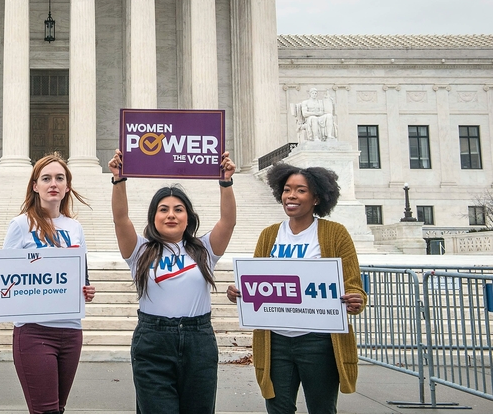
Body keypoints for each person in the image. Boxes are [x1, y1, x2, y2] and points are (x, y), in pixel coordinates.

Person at [226, 163, 366, 414]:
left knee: (322, 409)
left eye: (300, 190)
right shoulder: (269, 235)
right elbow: (258, 282)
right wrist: (239, 292)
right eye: (287, 189)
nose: (291, 196)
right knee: (278, 408)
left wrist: (356, 300)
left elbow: (353, 284)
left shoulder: (335, 233)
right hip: (276, 341)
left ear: (317, 198)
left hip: (319, 341)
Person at [108, 148, 236, 414]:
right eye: (163, 209)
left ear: (187, 217)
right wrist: (118, 180)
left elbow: (228, 221)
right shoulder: (139, 250)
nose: (171, 215)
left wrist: (226, 183)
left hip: (198, 341)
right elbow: (120, 219)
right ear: (154, 217)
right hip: (153, 341)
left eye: (178, 209)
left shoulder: (204, 249)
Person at [0, 153, 96, 414]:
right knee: (45, 411)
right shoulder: (21, 225)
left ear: (67, 187)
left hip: (72, 331)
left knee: (59, 408)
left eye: (59, 178)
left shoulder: (75, 228)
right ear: (35, 186)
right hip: (34, 332)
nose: (53, 183)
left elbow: (81, 277)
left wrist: (87, 290)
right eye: (46, 178)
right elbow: (5, 274)